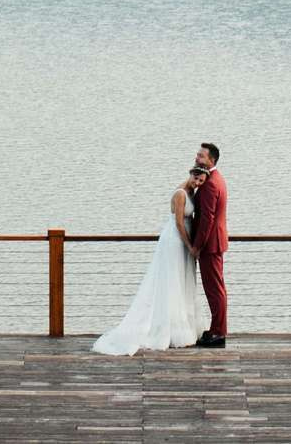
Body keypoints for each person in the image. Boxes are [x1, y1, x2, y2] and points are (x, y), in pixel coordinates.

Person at [90, 167, 205, 355]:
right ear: (190, 174)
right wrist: (189, 245)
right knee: (171, 281)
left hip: (186, 240)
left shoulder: (193, 193)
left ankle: (181, 325)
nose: (198, 183)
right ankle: (167, 329)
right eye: (196, 179)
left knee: (182, 281)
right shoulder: (180, 193)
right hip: (176, 240)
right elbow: (178, 223)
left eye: (201, 181)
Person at [190, 142, 228, 347]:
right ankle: (217, 329)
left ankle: (218, 333)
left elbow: (207, 219)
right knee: (216, 288)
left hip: (210, 244)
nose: (197, 158)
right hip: (215, 242)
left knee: (214, 289)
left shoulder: (212, 183)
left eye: (201, 156)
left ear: (211, 160)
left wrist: (197, 246)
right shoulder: (215, 178)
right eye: (197, 155)